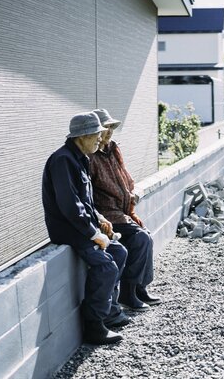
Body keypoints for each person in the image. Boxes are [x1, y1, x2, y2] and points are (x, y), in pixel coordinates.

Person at [42, 112, 130, 345]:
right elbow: (70, 206)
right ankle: (94, 326)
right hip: (70, 230)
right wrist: (94, 234)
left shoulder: (80, 157)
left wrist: (100, 219)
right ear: (83, 136)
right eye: (97, 136)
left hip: (83, 226)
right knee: (106, 266)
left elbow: (85, 202)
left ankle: (110, 310)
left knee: (119, 251)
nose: (101, 140)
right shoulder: (63, 160)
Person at [89, 108, 161, 311]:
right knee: (141, 238)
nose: (109, 132)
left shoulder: (112, 149)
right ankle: (129, 293)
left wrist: (132, 192)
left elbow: (125, 177)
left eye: (112, 127)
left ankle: (140, 288)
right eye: (106, 128)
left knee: (145, 235)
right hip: (107, 213)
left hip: (122, 210)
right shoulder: (91, 156)